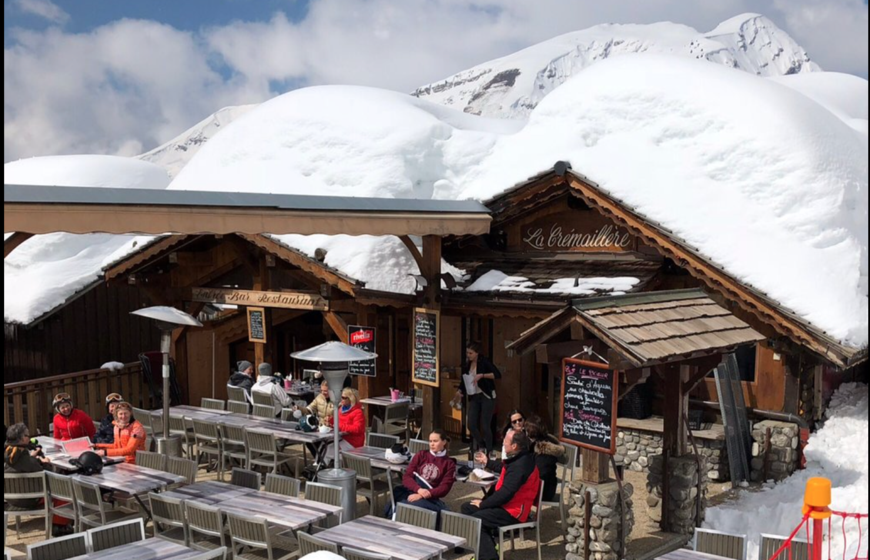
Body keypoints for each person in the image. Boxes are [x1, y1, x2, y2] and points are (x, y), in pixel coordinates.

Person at [462, 429, 541, 560]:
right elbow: (504, 468)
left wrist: (483, 504)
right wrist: (488, 462)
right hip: (506, 505)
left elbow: (506, 494)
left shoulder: (521, 465)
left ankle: (489, 557)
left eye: (505, 440)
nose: (502, 442)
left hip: (513, 511)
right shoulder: (518, 457)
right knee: (467, 508)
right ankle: (489, 549)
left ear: (514, 446)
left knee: (477, 520)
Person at [4, 423, 74, 536]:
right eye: (27, 435)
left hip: (11, 500)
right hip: (29, 501)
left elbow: (22, 464)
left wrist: (32, 457)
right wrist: (45, 462)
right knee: (63, 490)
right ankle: (59, 526)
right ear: (22, 439)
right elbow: (48, 474)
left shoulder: (9, 454)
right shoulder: (27, 461)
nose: (29, 437)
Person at [389, 429, 456, 520]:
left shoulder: (449, 463)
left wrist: (422, 494)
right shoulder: (421, 455)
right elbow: (407, 477)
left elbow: (444, 488)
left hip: (429, 497)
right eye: (430, 441)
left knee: (411, 507)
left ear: (444, 442)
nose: (432, 444)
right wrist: (418, 489)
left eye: (435, 441)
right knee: (399, 503)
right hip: (413, 490)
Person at [455, 341, 502, 455]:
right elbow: (464, 380)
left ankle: (489, 450)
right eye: (467, 353)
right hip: (474, 396)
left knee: (485, 425)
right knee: (471, 424)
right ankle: (481, 444)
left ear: (477, 353)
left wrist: (482, 375)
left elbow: (497, 374)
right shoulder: (467, 364)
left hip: (486, 395)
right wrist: (459, 391)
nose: (468, 355)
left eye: (471, 353)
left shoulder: (484, 362)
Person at [523, 416, 565, 502]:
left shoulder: (544, 451)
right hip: (538, 485)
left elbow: (541, 475)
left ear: (529, 433)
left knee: (512, 490)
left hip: (544, 490)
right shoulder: (535, 445)